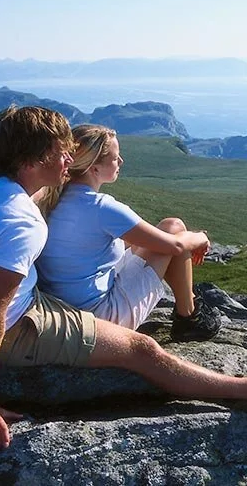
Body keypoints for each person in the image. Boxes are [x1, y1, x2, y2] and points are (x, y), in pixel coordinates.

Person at [0, 106, 247, 458]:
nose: (70, 160)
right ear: (34, 160)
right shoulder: (22, 222)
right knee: (143, 350)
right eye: (62, 153)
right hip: (17, 327)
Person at [34, 123, 218, 341]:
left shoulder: (51, 198)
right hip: (101, 319)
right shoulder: (101, 207)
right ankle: (189, 317)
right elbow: (176, 246)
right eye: (114, 158)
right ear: (94, 168)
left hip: (61, 312)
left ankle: (188, 312)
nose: (120, 162)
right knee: (174, 228)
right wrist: (202, 238)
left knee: (163, 234)